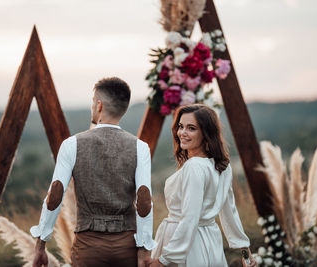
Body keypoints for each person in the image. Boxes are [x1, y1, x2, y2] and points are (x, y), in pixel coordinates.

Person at [31, 77, 156, 267]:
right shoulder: (140, 147)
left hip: (87, 246)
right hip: (127, 246)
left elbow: (54, 196)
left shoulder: (72, 144)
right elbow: (144, 201)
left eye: (92, 102)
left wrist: (40, 245)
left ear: (99, 105)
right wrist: (145, 250)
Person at [148, 104, 256, 267]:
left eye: (191, 128)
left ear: (206, 133)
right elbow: (230, 214)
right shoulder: (223, 166)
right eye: (181, 126)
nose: (182, 133)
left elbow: (190, 218)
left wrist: (165, 260)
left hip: (184, 245)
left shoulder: (194, 167)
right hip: (210, 240)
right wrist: (245, 253)